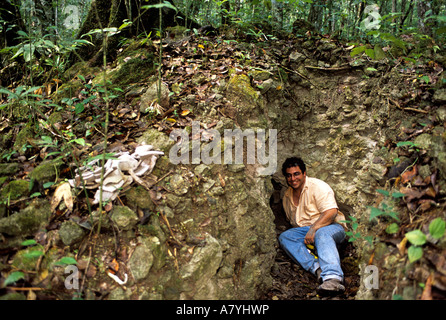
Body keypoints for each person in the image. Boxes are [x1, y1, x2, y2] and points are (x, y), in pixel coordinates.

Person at [279, 157, 347, 295]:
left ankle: (333, 278)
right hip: (306, 231)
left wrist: (314, 228)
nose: (293, 179)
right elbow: (292, 223)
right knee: (285, 237)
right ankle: (318, 269)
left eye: (296, 174)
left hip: (332, 227)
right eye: (289, 175)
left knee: (323, 233)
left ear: (304, 173)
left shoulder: (317, 186)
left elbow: (331, 212)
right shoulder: (287, 196)